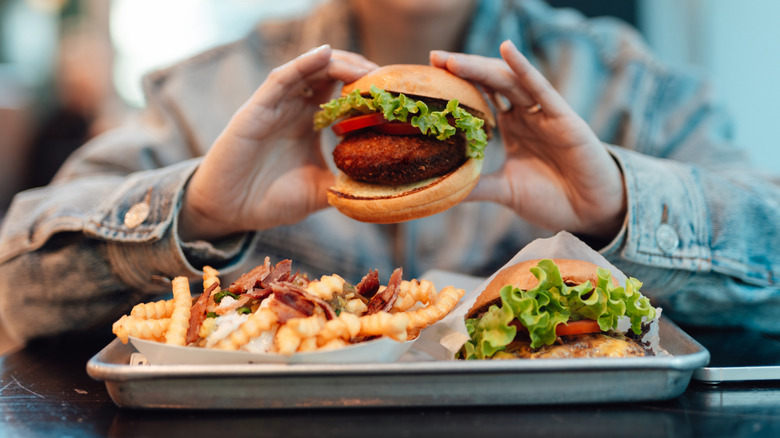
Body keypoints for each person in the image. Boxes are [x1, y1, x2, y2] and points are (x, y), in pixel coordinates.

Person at [0, 0, 778, 346]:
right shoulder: (203, 90)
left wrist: (618, 203)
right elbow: (15, 284)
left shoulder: (630, 85)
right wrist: (199, 210)